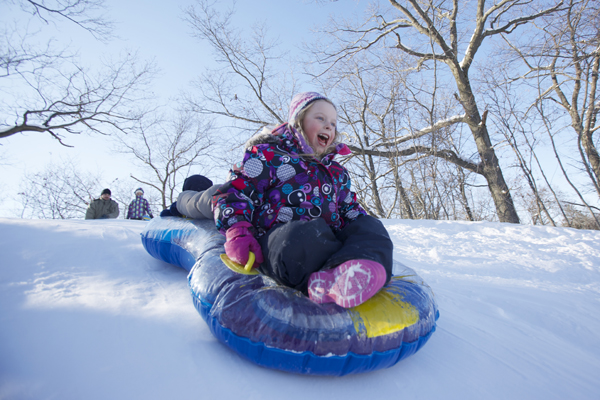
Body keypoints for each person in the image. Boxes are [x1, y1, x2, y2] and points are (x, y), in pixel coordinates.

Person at [212, 92, 394, 308]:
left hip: (331, 245)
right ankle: (329, 280)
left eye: (333, 123)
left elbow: (350, 209)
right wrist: (238, 231)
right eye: (320, 118)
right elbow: (235, 192)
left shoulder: (337, 172)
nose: (329, 126)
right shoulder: (268, 156)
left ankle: (360, 269)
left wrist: (363, 232)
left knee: (370, 226)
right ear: (297, 122)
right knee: (296, 237)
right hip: (284, 240)